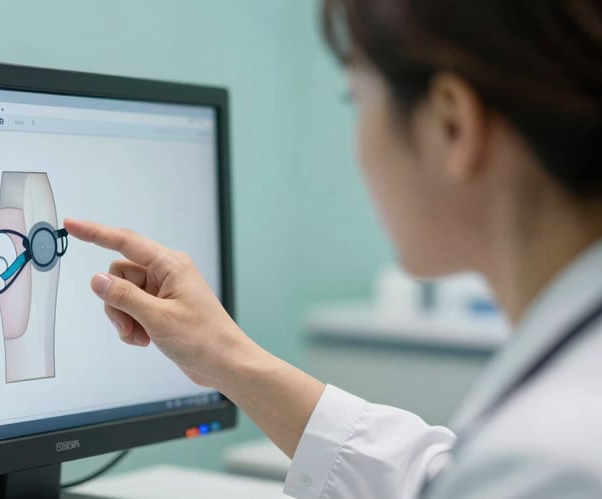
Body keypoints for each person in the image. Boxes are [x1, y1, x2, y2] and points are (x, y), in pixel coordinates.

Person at [64, 0, 602, 497]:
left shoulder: (552, 460)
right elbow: (433, 480)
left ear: (451, 124)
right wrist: (224, 357)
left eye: (357, 99)